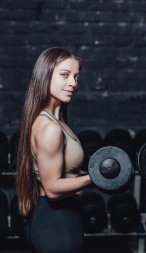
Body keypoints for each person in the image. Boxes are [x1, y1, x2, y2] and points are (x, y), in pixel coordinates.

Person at [15, 47, 92, 253]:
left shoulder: (56, 120)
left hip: (63, 218)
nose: (73, 83)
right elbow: (52, 188)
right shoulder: (50, 127)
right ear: (45, 76)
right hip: (56, 222)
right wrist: (94, 178)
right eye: (65, 75)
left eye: (76, 77)